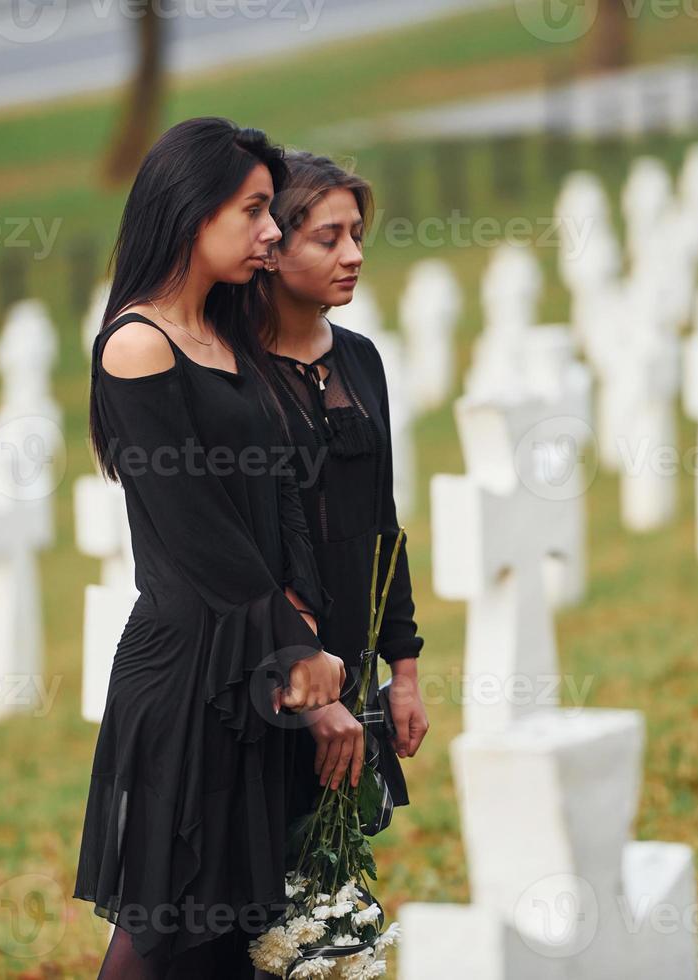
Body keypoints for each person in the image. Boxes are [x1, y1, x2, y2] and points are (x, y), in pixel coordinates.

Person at [78, 118, 346, 979]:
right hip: (189, 672)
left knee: (243, 929)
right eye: (255, 210)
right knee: (167, 924)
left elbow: (283, 495)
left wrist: (305, 614)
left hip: (256, 655)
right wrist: (296, 646)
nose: (273, 231)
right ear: (192, 211)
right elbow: (198, 532)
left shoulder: (235, 334)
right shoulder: (136, 347)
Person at [257, 151, 430, 824]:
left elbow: (382, 523)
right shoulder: (236, 375)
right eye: (328, 238)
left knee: (336, 878)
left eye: (357, 233)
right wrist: (300, 666)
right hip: (271, 666)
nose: (353, 253)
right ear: (272, 247)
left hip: (354, 665)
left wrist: (404, 671)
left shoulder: (360, 359)